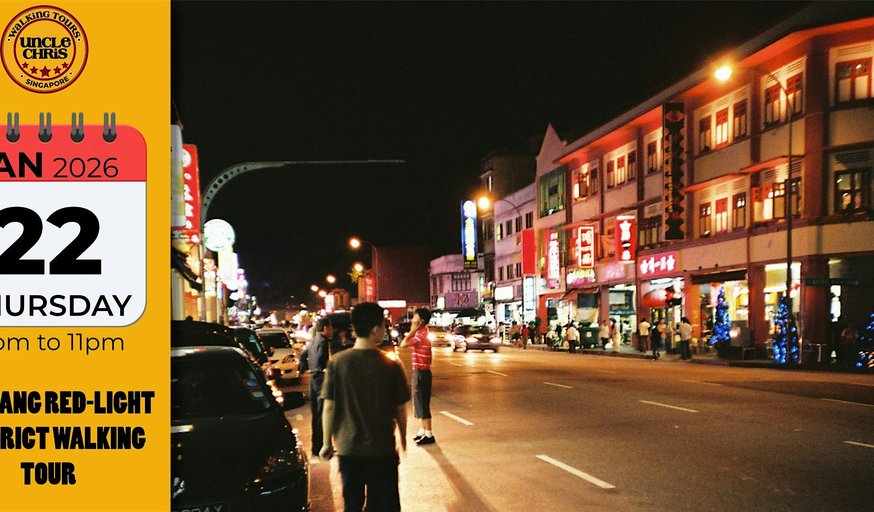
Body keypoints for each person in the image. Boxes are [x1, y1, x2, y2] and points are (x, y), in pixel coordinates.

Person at [320, 302, 411, 512]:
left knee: (352, 504)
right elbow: (399, 409)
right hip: (381, 451)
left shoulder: (337, 362)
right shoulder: (391, 364)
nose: (385, 329)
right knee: (384, 505)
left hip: (348, 451)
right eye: (383, 325)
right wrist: (403, 438)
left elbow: (329, 407)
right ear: (374, 329)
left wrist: (326, 443)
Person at [401, 307, 435, 446]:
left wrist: (412, 330)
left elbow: (403, 344)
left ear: (420, 321)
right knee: (420, 403)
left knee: (422, 404)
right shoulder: (423, 333)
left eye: (415, 317)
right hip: (422, 373)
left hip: (421, 373)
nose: (412, 319)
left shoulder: (420, 335)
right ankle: (423, 430)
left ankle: (429, 434)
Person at [308, 317, 333, 456]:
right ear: (325, 328)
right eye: (330, 327)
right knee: (322, 412)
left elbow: (305, 357)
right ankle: (321, 446)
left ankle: (315, 446)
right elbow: (320, 361)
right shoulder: (323, 342)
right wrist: (324, 369)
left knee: (316, 413)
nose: (332, 329)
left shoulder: (313, 340)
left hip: (313, 378)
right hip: (319, 379)